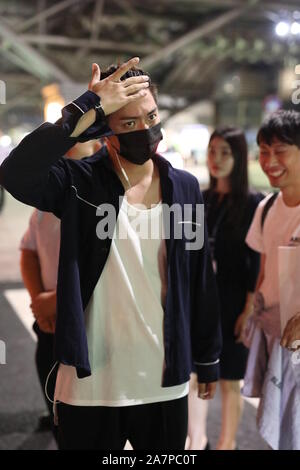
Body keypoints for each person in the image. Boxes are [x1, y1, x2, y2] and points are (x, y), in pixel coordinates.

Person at [0, 57, 222, 450]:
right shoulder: (78, 182)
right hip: (90, 387)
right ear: (106, 131)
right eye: (130, 123)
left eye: (152, 117)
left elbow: (200, 278)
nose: (147, 131)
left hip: (163, 383)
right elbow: (16, 173)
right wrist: (86, 106)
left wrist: (207, 358)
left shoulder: (185, 188)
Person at [186, 127, 263, 451]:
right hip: (200, 301)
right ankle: (196, 440)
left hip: (234, 303)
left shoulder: (252, 203)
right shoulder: (201, 198)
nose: (215, 159)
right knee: (192, 376)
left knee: (231, 380)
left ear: (239, 157)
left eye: (225, 152)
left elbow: (257, 261)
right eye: (211, 151)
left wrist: (248, 310)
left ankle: (226, 444)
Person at [20, 140, 101, 435]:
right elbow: (28, 251)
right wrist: (38, 300)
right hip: (49, 321)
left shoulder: (101, 198)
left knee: (90, 418)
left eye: (80, 136)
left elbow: (107, 266)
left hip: (88, 320)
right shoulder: (47, 200)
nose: (69, 143)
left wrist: (56, 300)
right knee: (51, 385)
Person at [244, 110, 300, 450]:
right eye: (264, 151)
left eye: (280, 150)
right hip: (274, 340)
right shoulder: (266, 207)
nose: (269, 161)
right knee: (280, 429)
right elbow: (264, 271)